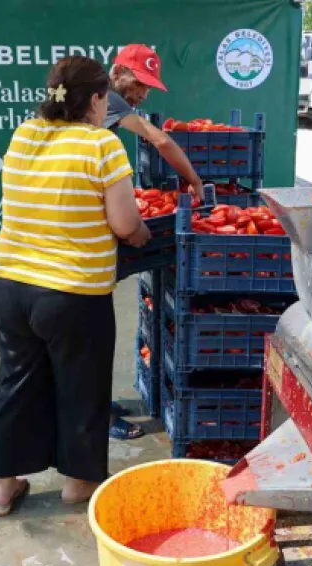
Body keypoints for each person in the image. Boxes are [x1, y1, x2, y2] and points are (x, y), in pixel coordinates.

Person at [0, 56, 150, 517]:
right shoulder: (101, 145)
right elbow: (124, 223)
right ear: (97, 99)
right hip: (71, 292)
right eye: (106, 101)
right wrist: (139, 234)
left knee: (15, 381)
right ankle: (78, 484)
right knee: (82, 385)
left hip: (9, 284)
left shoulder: (25, 133)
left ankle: (4, 487)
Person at [103, 43, 205, 440]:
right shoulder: (107, 100)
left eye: (147, 86)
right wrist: (194, 180)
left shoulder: (104, 101)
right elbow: (161, 141)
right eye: (139, 82)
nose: (142, 93)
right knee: (88, 332)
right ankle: (96, 417)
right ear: (117, 72)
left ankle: (92, 402)